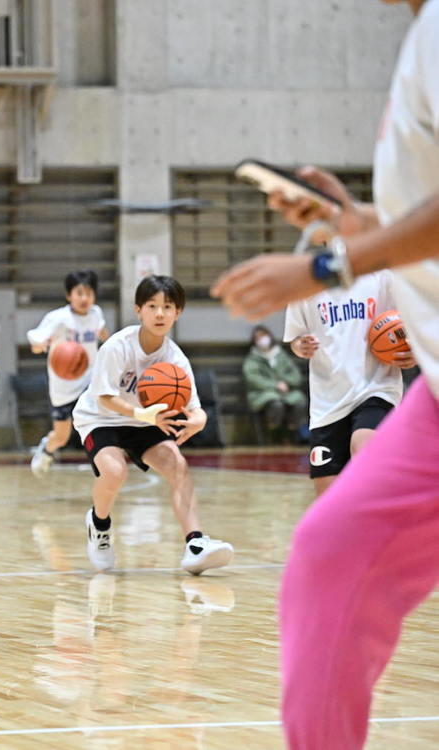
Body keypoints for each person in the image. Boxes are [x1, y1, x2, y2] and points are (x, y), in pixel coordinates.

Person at [212, 2, 439, 745]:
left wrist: (329, 263)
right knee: (326, 550)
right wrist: (361, 225)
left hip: (401, 388)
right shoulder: (419, 35)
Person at [70, 276, 235, 575]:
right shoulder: (118, 346)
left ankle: (195, 544)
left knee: (178, 465)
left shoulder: (176, 359)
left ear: (178, 312)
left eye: (167, 307)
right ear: (138, 310)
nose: (160, 314)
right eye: (152, 306)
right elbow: (105, 397)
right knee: (114, 471)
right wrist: (143, 415)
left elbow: (196, 410)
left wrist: (197, 422)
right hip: (101, 417)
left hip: (146, 419)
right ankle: (99, 524)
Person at [284, 270, 408, 494]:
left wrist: (410, 352)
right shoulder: (304, 281)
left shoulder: (382, 276)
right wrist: (300, 345)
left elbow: (409, 327)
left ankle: (382, 521)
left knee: (364, 450)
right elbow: (295, 338)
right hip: (328, 399)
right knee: (327, 494)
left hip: (375, 387)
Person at [26, 269, 109, 476]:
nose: (84, 298)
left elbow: (104, 335)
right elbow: (35, 344)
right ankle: (47, 448)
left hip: (90, 382)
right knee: (61, 437)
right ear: (68, 295)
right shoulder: (58, 319)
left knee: (98, 422)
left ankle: (104, 461)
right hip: (63, 386)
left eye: (89, 294)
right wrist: (42, 345)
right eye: (79, 293)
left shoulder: (96, 314)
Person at [241, 325, 307, 442]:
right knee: (276, 405)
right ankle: (274, 434)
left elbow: (295, 375)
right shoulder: (252, 359)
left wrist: (286, 383)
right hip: (262, 394)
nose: (262, 340)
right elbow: (253, 379)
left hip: (287, 392)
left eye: (264, 336)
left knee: (300, 401)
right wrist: (275, 385)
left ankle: (293, 432)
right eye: (258, 338)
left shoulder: (281, 355)